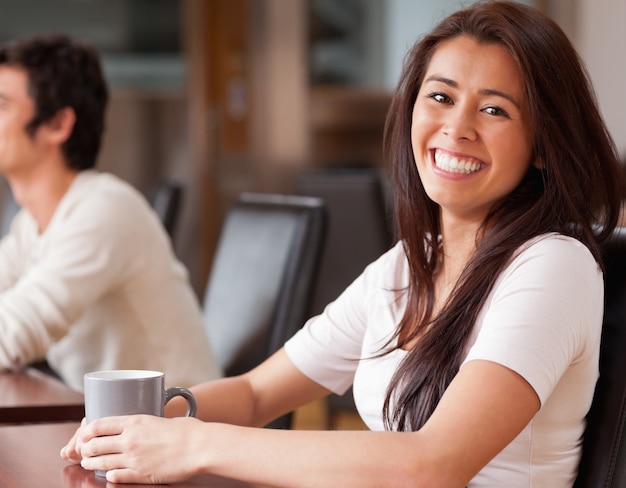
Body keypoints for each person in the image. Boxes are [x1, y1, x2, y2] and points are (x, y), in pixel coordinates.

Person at [61, 1, 625, 486]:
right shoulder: (410, 265)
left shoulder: (553, 264)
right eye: (441, 97)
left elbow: (430, 468)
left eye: (494, 109)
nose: (457, 127)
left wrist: (190, 446)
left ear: (544, 146)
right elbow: (257, 394)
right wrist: (147, 422)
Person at [0, 33, 221, 391]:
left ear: (58, 124)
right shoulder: (32, 224)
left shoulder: (104, 209)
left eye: (2, 104)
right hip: (117, 426)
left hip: (182, 427)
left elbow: (13, 335)